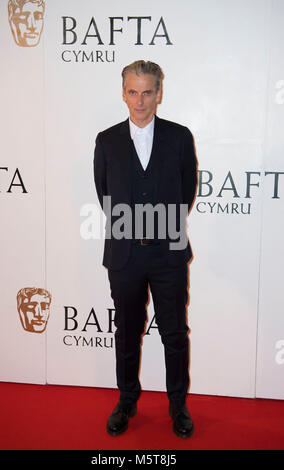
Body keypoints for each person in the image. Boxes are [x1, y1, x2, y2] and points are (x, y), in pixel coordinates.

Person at [93, 60, 197, 438]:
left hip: (168, 253)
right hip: (124, 255)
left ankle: (177, 404)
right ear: (123, 93)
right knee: (126, 331)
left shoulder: (180, 137)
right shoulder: (106, 140)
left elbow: (186, 192)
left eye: (147, 91)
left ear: (159, 93)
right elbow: (105, 192)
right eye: (133, 92)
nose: (140, 101)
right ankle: (127, 400)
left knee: (174, 333)